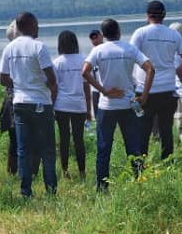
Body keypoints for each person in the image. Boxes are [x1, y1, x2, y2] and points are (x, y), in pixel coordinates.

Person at [83, 19, 154, 190]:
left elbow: (84, 71)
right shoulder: (129, 48)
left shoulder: (98, 50)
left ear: (103, 34)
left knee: (103, 148)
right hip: (128, 105)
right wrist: (144, 96)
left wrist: (104, 91)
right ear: (119, 31)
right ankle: (139, 183)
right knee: (133, 148)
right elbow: (150, 69)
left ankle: (102, 187)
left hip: (107, 106)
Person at [0, 12, 59, 198]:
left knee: (23, 150)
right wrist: (47, 90)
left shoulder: (9, 48)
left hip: (20, 103)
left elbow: (2, 78)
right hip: (41, 102)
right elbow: (51, 77)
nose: (38, 27)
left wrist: (18, 84)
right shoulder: (38, 47)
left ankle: (26, 191)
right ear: (30, 25)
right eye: (37, 24)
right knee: (47, 148)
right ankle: (50, 190)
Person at [130, 0, 182, 159]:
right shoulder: (174, 34)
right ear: (164, 15)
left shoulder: (140, 33)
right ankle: (168, 163)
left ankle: (141, 165)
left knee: (143, 130)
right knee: (166, 130)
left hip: (145, 90)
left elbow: (131, 57)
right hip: (168, 90)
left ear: (147, 16)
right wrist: (175, 71)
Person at [53, 31, 92, 179]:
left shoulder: (57, 62)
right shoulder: (83, 60)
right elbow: (87, 87)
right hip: (78, 105)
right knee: (79, 138)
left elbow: (54, 87)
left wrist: (51, 106)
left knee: (64, 138)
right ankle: (82, 171)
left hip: (61, 105)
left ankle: (65, 171)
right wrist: (89, 109)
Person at [0, 20, 20, 176]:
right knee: (19, 140)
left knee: (14, 140)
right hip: (17, 99)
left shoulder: (8, 51)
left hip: (11, 99)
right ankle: (21, 172)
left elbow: (3, 79)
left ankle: (13, 172)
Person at [88, 29, 104, 117]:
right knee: (98, 115)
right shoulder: (92, 53)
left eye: (96, 37)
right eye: (92, 38)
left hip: (106, 87)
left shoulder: (107, 49)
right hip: (95, 89)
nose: (95, 40)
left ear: (101, 36)